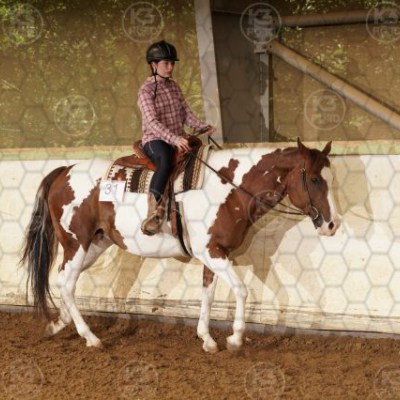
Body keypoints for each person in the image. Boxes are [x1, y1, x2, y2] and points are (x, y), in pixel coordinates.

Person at [138, 40, 215, 236]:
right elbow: (152, 122)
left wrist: (202, 126)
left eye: (172, 63)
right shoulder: (146, 91)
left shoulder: (174, 86)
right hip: (155, 140)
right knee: (164, 162)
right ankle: (153, 212)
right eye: (166, 63)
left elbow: (186, 113)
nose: (171, 67)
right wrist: (174, 139)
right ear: (153, 65)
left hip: (177, 138)